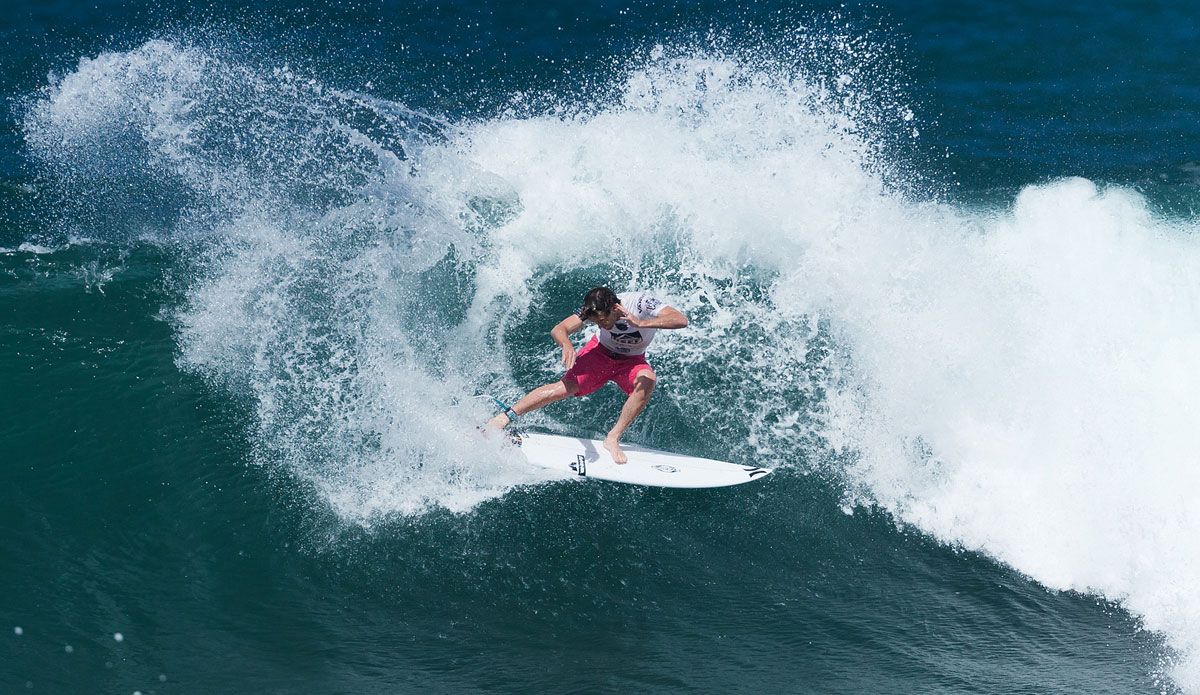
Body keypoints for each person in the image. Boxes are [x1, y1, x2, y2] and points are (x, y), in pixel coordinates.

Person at [487, 286, 688, 464]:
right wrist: (566, 343)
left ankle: (612, 438)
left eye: (602, 321)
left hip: (632, 361)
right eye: (596, 322)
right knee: (564, 389)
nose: (600, 325)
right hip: (600, 354)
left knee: (647, 381)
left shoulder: (640, 303)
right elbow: (559, 329)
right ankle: (504, 417)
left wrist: (640, 324)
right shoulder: (592, 308)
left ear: (615, 308)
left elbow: (680, 319)